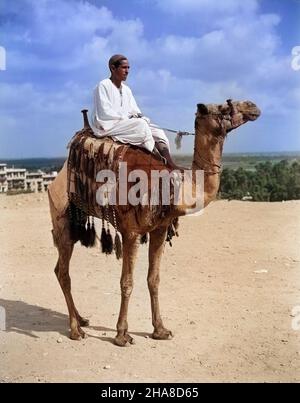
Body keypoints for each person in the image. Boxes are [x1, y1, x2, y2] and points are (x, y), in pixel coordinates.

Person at [91, 54, 182, 169]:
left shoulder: (127, 89)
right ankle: (158, 160)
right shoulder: (103, 86)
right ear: (113, 68)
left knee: (157, 131)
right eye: (124, 67)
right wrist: (130, 118)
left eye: (128, 68)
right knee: (141, 126)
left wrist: (140, 117)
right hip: (108, 125)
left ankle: (170, 163)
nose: (127, 71)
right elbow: (105, 113)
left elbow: (135, 110)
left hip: (128, 123)